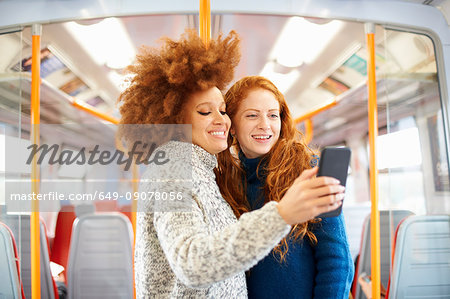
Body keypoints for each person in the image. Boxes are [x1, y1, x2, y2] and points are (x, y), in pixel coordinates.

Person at [118, 31, 344, 298]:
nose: (221, 120)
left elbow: (335, 260)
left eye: (222, 110)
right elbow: (193, 263)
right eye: (205, 111)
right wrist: (281, 214)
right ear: (174, 119)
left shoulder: (209, 173)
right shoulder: (175, 171)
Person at [216, 76, 354, 298]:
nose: (265, 124)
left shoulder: (307, 169)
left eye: (272, 115)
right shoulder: (228, 182)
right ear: (232, 126)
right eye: (252, 115)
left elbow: (336, 259)